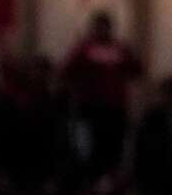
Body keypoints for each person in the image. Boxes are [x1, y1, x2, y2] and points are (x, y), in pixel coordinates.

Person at [61, 10, 143, 178]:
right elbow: (66, 71)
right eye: (99, 26)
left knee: (114, 150)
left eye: (105, 26)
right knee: (92, 152)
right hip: (91, 109)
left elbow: (137, 70)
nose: (102, 30)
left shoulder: (120, 48)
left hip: (116, 109)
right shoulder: (84, 48)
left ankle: (110, 185)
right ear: (94, 28)